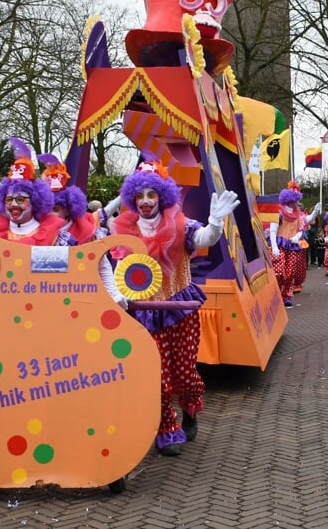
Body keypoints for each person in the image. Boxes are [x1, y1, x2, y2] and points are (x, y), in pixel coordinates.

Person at [111, 160, 239, 456]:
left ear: (162, 197)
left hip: (180, 307)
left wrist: (216, 223)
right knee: (157, 378)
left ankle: (190, 409)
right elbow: (115, 268)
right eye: (140, 195)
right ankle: (167, 429)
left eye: (151, 195)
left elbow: (204, 238)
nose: (145, 201)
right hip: (145, 312)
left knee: (183, 374)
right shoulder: (122, 229)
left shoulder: (180, 223)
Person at [269, 182, 320, 307]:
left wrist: (315, 212)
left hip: (292, 246)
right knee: (279, 272)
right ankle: (276, 293)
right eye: (295, 200)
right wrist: (274, 246)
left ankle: (287, 295)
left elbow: (304, 225)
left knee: (290, 273)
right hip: (280, 244)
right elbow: (272, 230)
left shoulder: (298, 215)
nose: (296, 203)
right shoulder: (279, 213)